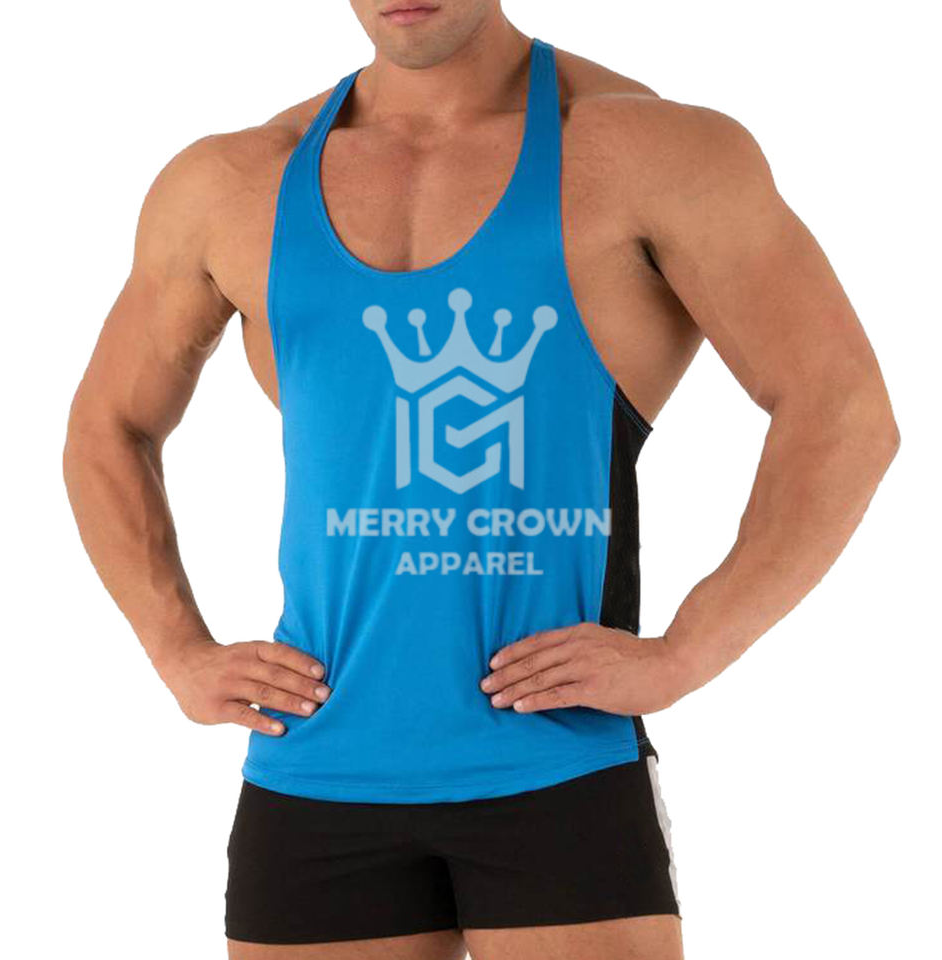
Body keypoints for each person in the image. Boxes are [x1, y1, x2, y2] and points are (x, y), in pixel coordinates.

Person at [62, 2, 900, 958]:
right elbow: (107, 427)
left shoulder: (647, 154)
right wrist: (177, 650)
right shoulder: (231, 183)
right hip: (313, 768)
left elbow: (843, 408)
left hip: (557, 763)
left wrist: (688, 650)